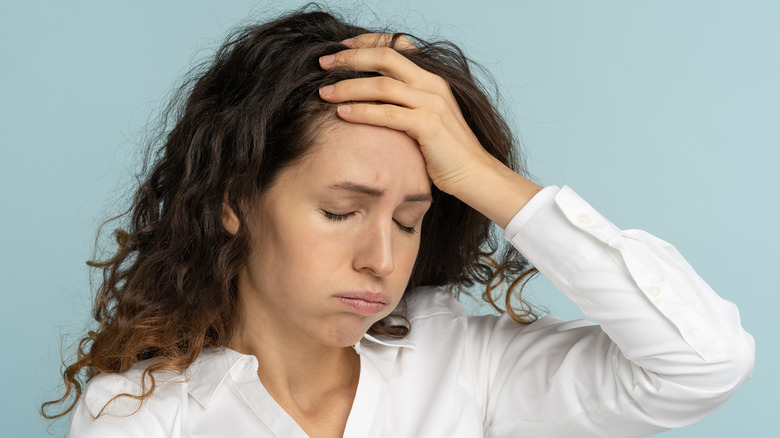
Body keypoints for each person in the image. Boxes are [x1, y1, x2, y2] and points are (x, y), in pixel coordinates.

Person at [43, 6, 754, 438]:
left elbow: (700, 364)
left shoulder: (461, 366)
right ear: (234, 201)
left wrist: (485, 179)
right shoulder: (139, 414)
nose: (380, 258)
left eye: (410, 220)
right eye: (340, 211)